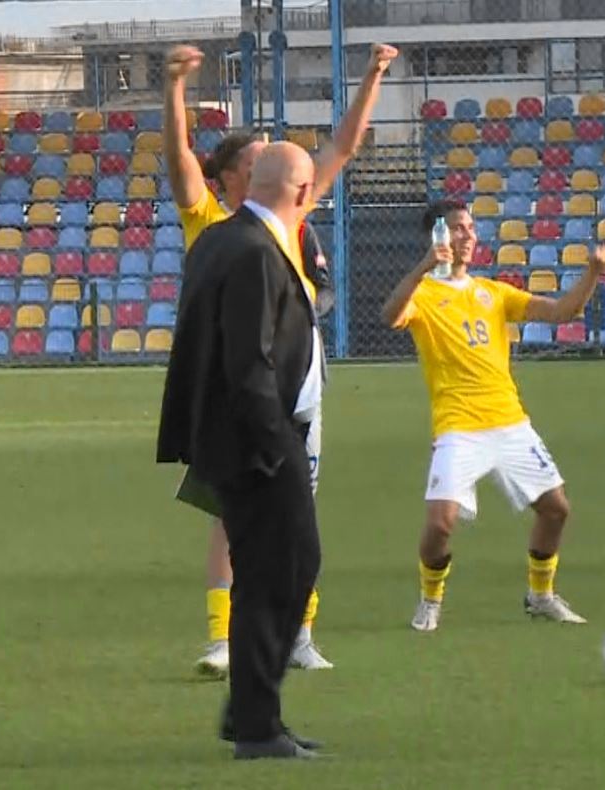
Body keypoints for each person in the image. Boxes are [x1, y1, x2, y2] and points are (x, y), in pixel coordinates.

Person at [164, 41, 396, 677]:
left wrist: (373, 75)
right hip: (235, 387)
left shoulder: (293, 216)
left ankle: (299, 634)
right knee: (228, 514)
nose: (276, 159)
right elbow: (180, 160)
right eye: (259, 154)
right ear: (237, 176)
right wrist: (175, 89)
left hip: (298, 388)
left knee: (300, 510)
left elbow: (343, 147)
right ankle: (224, 637)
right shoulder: (210, 217)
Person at [156, 143, 327, 760]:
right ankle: (256, 724)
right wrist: (276, 442)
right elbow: (248, 362)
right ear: (302, 191)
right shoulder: (258, 250)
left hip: (228, 437)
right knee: (289, 567)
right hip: (259, 440)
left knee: (268, 574)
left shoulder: (222, 240)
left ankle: (253, 714)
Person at [379, 201, 605, 632]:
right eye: (456, 229)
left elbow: (562, 312)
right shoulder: (423, 294)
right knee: (439, 524)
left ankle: (540, 594)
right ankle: (430, 599)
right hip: (458, 427)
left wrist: (592, 273)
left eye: (470, 227)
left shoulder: (493, 292)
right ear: (437, 238)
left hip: (509, 422)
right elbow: (390, 316)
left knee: (556, 509)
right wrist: (424, 267)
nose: (467, 235)